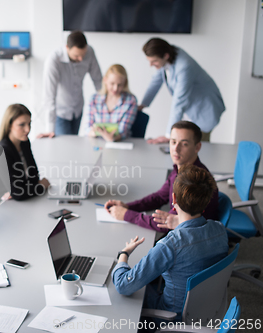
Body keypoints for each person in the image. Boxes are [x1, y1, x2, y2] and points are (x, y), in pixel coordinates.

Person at [112, 164, 229, 322]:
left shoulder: (170, 245)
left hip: (173, 318)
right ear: (206, 200)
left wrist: (123, 255)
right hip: (208, 309)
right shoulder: (220, 230)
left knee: (131, 292)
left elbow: (123, 286)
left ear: (173, 199)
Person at [104, 121, 218, 232]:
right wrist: (128, 207)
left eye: (184, 144)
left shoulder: (192, 181)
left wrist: (126, 215)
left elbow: (166, 224)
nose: (176, 149)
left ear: (197, 147)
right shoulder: (180, 169)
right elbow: (159, 197)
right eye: (173, 142)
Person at [139, 38, 225, 144]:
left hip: (204, 110)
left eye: (154, 61)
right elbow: (156, 81)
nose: (151, 65)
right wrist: (143, 105)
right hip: (191, 109)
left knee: (196, 150)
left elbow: (179, 102)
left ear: (165, 56)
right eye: (149, 61)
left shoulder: (184, 67)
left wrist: (169, 135)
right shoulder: (167, 55)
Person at [39, 30, 102, 137]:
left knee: (74, 143)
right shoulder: (54, 60)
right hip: (60, 112)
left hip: (78, 108)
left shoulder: (90, 52)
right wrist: (50, 129)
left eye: (83, 55)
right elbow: (49, 96)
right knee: (64, 148)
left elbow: (98, 80)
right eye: (77, 56)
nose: (81, 59)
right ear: (67, 47)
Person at [0, 104, 50, 201]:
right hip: (1, 204)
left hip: (22, 201)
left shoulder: (24, 142)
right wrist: (41, 186)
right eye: (22, 125)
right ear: (9, 125)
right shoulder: (3, 151)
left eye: (29, 124)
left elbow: (34, 176)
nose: (27, 129)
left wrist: (27, 188)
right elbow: (18, 194)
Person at [88, 64, 138, 141]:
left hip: (120, 143)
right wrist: (92, 132)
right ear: (105, 80)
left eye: (119, 85)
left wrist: (113, 138)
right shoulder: (94, 99)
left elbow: (123, 130)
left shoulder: (131, 101)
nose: (115, 88)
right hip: (96, 141)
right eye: (112, 83)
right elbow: (88, 127)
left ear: (124, 83)